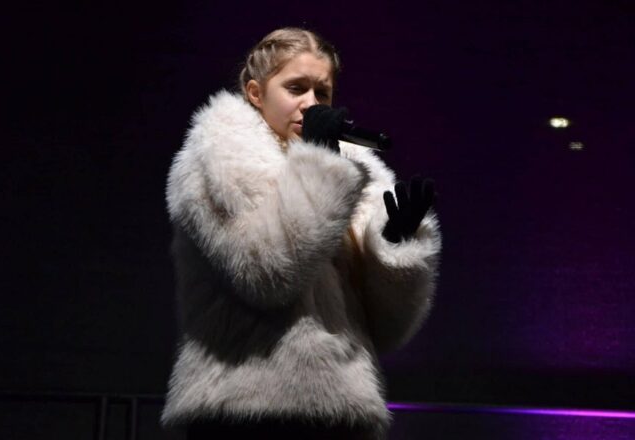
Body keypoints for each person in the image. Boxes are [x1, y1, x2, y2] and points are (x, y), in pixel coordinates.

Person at [161, 27, 441, 440]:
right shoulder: (216, 162)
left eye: (321, 92)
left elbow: (387, 328)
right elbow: (266, 277)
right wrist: (320, 171)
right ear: (256, 93)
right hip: (242, 412)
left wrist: (394, 250)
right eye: (296, 88)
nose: (310, 103)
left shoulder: (353, 172)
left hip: (341, 414)